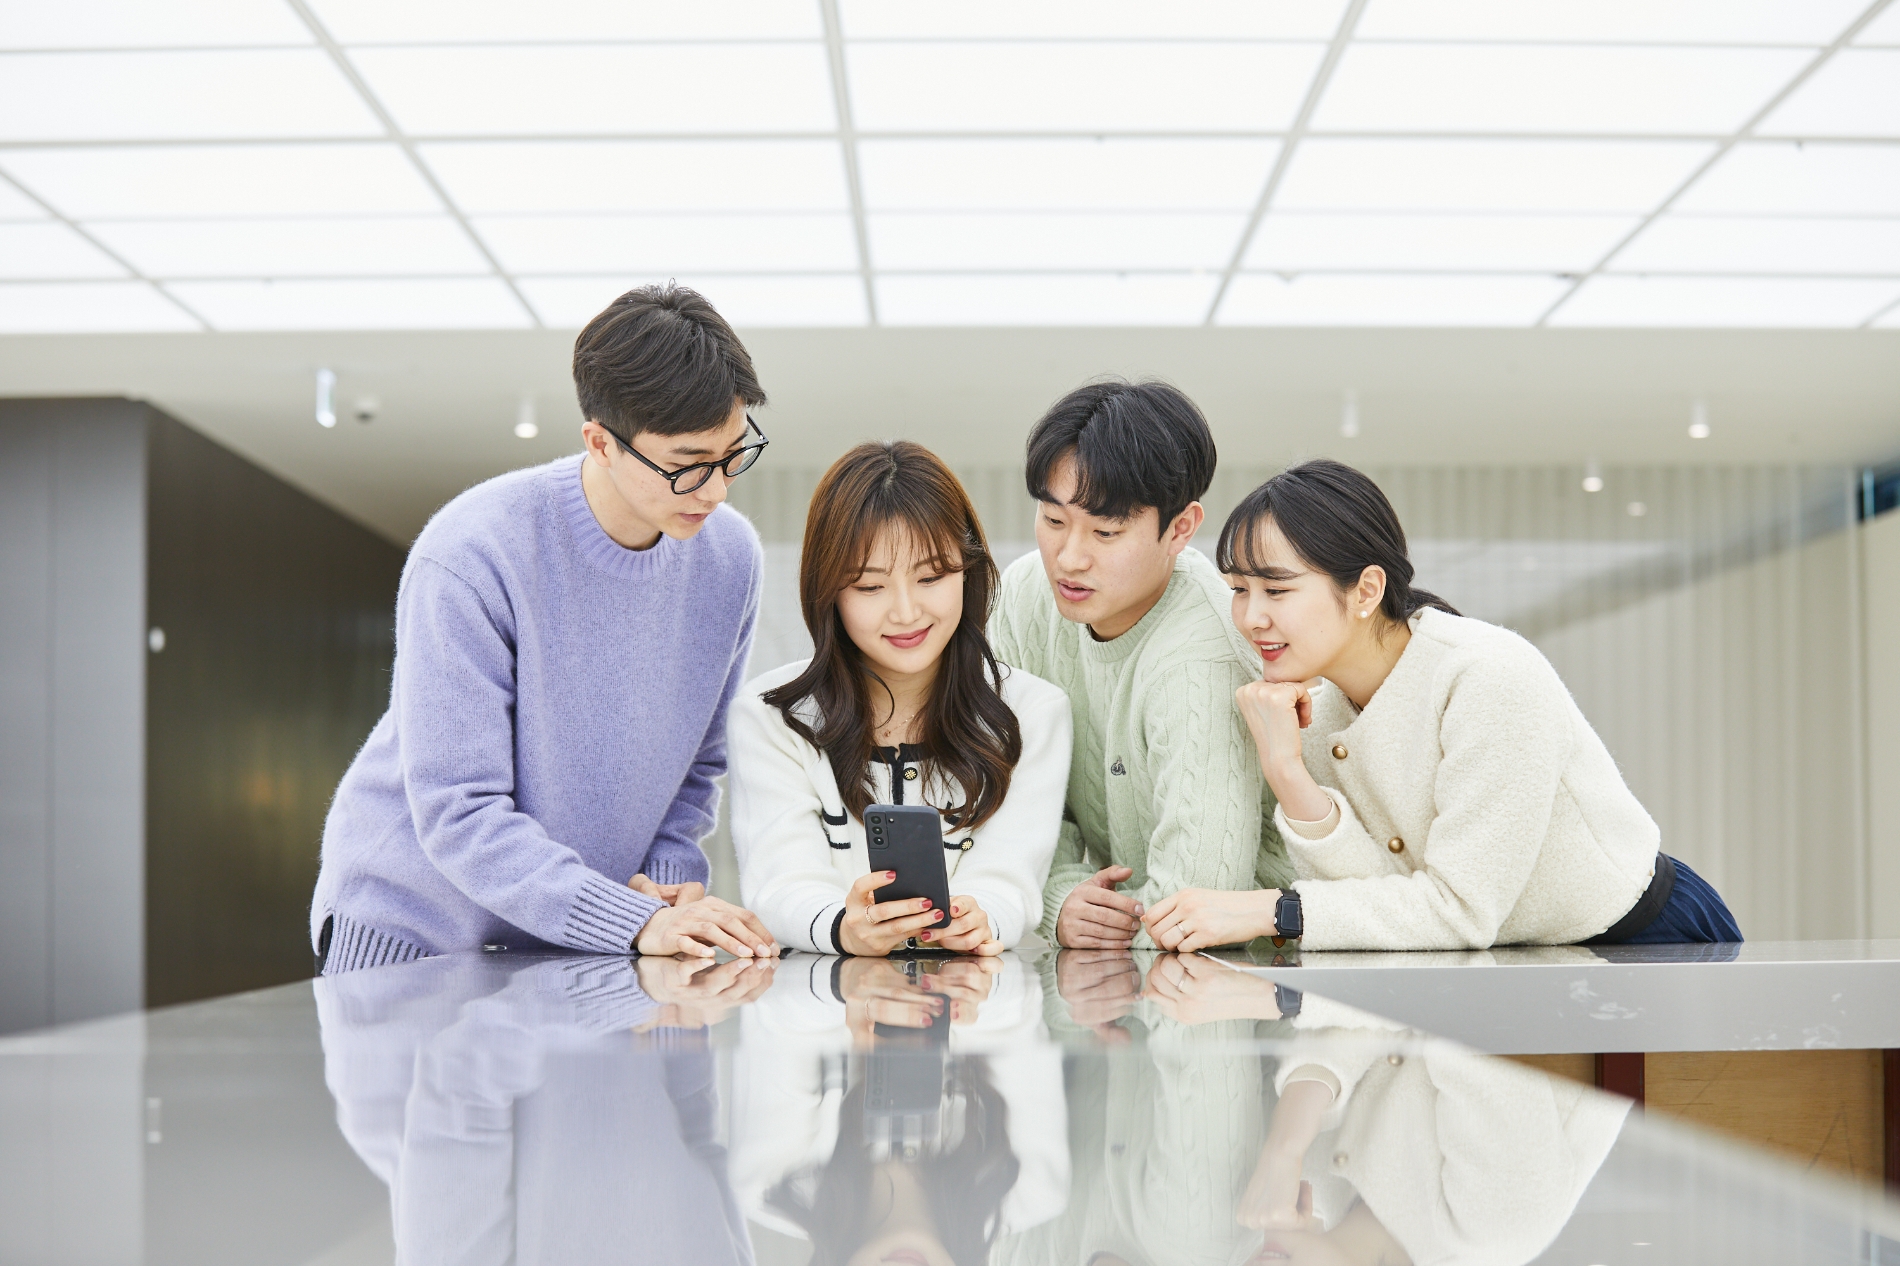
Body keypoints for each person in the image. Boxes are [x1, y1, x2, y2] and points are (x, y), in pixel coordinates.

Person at [310, 283, 779, 972]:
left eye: (734, 453)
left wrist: (672, 886)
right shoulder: (473, 551)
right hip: (417, 940)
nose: (716, 489)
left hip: (580, 941)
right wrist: (634, 920)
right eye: (686, 466)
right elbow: (458, 812)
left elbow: (696, 767)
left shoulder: (728, 558)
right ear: (600, 442)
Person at [1145, 458, 1743, 952]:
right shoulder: (1314, 708)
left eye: (1276, 590)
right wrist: (1286, 771)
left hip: (1647, 940)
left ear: (1367, 590)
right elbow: (1379, 897)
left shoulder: (1487, 675)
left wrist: (1269, 910)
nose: (1251, 618)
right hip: (1512, 963)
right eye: (1238, 592)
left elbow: (1458, 912)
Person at [729, 441, 1072, 955]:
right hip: (825, 1015)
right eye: (870, 587)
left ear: (968, 572)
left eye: (932, 577)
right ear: (828, 593)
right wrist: (845, 926)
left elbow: (1010, 879)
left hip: (975, 1017)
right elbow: (781, 880)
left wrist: (981, 919)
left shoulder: (1031, 714)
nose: (907, 612)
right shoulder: (771, 716)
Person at [987, 379, 1292, 952]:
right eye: (1054, 521)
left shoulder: (1203, 652)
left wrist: (1093, 917)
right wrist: (1058, 899)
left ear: (1180, 528)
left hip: (1258, 970)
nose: (1069, 558)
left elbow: (1201, 899)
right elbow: (1004, 794)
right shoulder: (1026, 595)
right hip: (1134, 962)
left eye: (1106, 532)